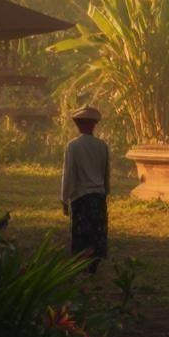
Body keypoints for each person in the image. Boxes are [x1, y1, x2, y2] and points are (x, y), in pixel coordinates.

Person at [60, 105, 110, 271]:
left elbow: (68, 174)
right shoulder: (102, 146)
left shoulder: (73, 146)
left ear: (78, 125)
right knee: (97, 231)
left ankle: (83, 263)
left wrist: (64, 198)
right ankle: (94, 263)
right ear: (93, 125)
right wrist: (105, 193)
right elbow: (106, 173)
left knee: (82, 233)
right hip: (98, 196)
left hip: (80, 197)